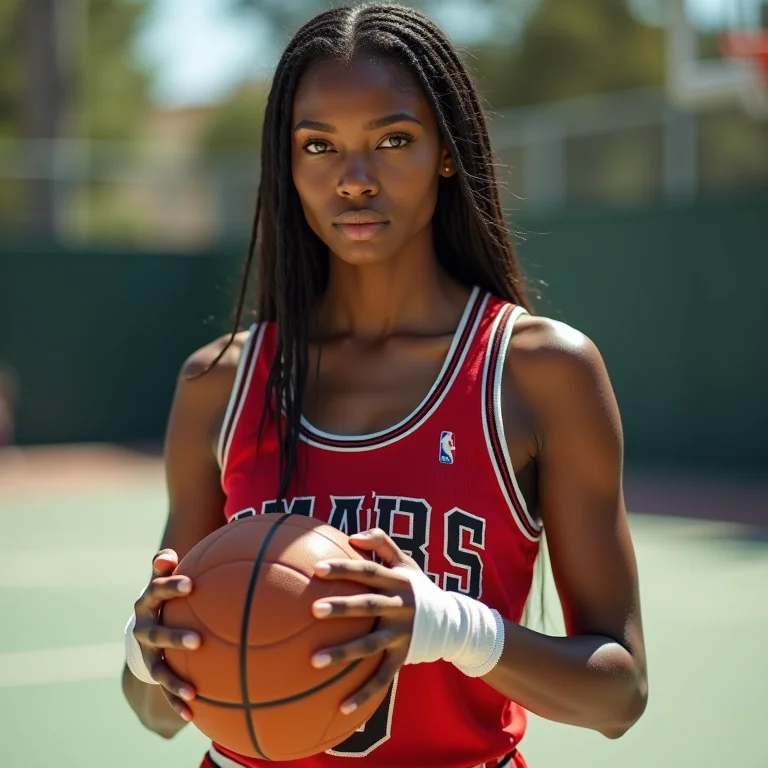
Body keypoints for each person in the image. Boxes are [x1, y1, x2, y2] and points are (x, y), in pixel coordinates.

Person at [122, 4, 648, 767]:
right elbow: (159, 716)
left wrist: (448, 627)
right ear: (289, 165)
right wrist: (149, 652)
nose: (354, 179)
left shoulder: (537, 369)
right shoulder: (219, 383)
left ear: (444, 150)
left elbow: (619, 693)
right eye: (318, 146)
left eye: (393, 140)